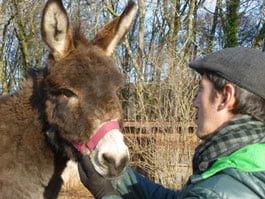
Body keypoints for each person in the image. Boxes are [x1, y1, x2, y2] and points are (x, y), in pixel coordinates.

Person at [78, 47, 265, 199]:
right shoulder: (246, 165)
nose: (195, 102)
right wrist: (119, 176)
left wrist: (106, 194)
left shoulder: (217, 192)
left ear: (225, 97)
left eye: (201, 90)